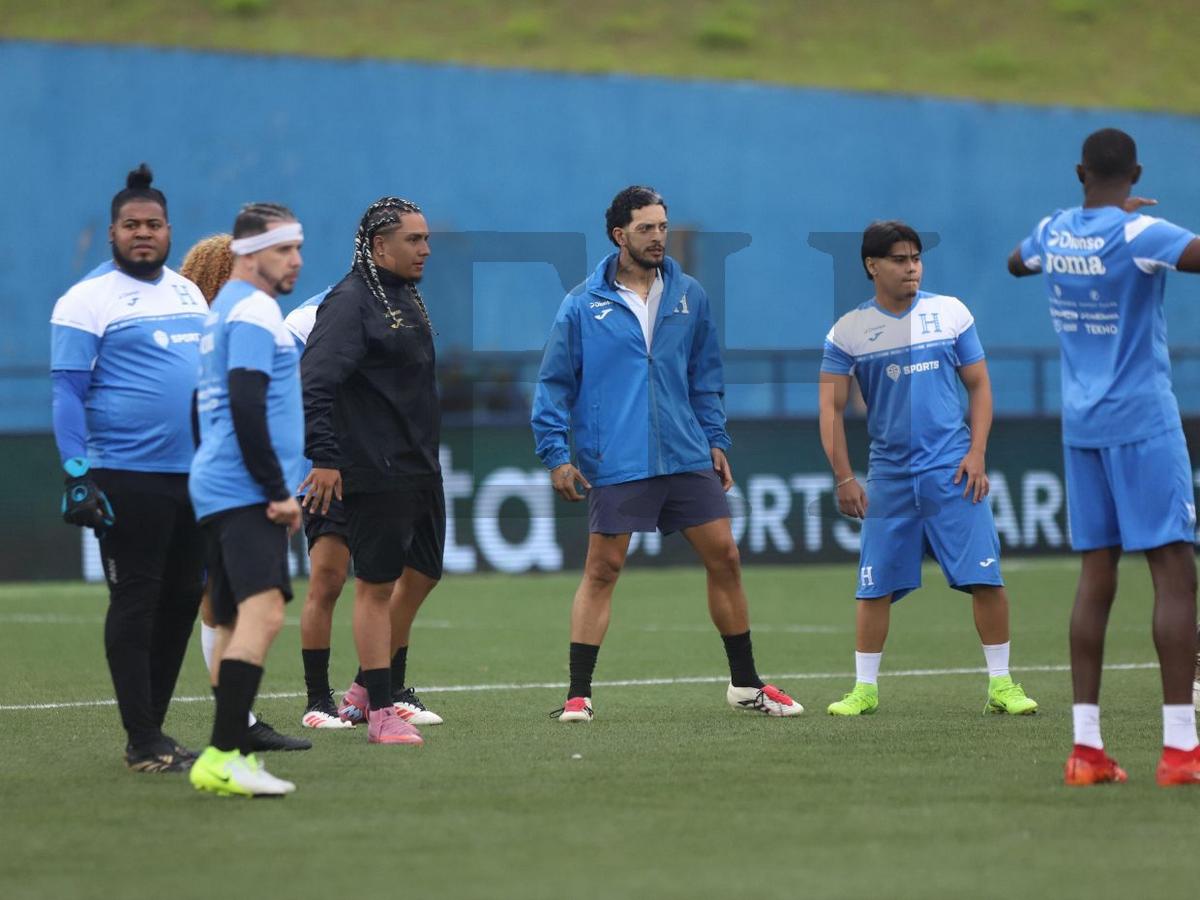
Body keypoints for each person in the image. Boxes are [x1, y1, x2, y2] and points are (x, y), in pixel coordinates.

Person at [531, 185, 802, 722]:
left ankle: (745, 685)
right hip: (618, 457)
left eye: (663, 226)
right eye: (646, 228)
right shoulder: (582, 305)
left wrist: (716, 439)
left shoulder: (689, 295)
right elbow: (553, 385)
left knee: (725, 556)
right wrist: (556, 454)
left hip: (685, 452)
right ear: (619, 235)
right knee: (603, 570)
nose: (659, 237)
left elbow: (706, 377)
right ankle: (578, 694)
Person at [1008, 128, 1200, 787]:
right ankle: (1180, 749)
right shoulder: (1141, 235)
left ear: (1078, 170)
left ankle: (1086, 749)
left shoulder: (1052, 230)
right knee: (1174, 569)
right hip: (1143, 420)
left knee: (1097, 574)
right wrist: (1128, 223)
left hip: (1081, 424)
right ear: (1136, 171)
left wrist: (1088, 226)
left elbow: (1016, 261)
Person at [819, 220, 1038, 720]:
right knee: (873, 586)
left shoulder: (951, 313)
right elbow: (830, 410)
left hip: (953, 473)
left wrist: (977, 452)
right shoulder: (848, 331)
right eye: (899, 259)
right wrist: (845, 477)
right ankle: (864, 689)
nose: (911, 267)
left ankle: (1002, 684)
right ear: (873, 266)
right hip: (890, 479)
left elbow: (980, 386)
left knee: (986, 579)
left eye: (916, 257)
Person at [50, 164, 207, 773]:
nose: (143, 233)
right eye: (131, 224)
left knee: (182, 601)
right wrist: (77, 472)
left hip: (193, 477)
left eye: (153, 224)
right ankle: (142, 739)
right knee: (137, 601)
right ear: (112, 231)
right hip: (124, 474)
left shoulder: (187, 291)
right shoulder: (87, 299)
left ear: (169, 230)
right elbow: (66, 393)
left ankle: (154, 732)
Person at [300, 197, 445, 746]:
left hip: (420, 466)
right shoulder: (349, 302)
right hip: (375, 468)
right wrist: (325, 456)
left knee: (425, 572)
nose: (426, 249)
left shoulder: (406, 294)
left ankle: (363, 689)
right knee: (373, 588)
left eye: (427, 238)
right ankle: (381, 711)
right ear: (380, 245)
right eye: (415, 240)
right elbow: (315, 381)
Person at [186, 203, 306, 797]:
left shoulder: (221, 308)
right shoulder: (256, 308)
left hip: (217, 484)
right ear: (250, 253)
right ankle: (225, 753)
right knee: (265, 613)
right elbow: (246, 402)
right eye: (286, 249)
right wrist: (277, 491)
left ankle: (228, 752)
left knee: (233, 620)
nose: (297, 261)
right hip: (245, 490)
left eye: (298, 248)